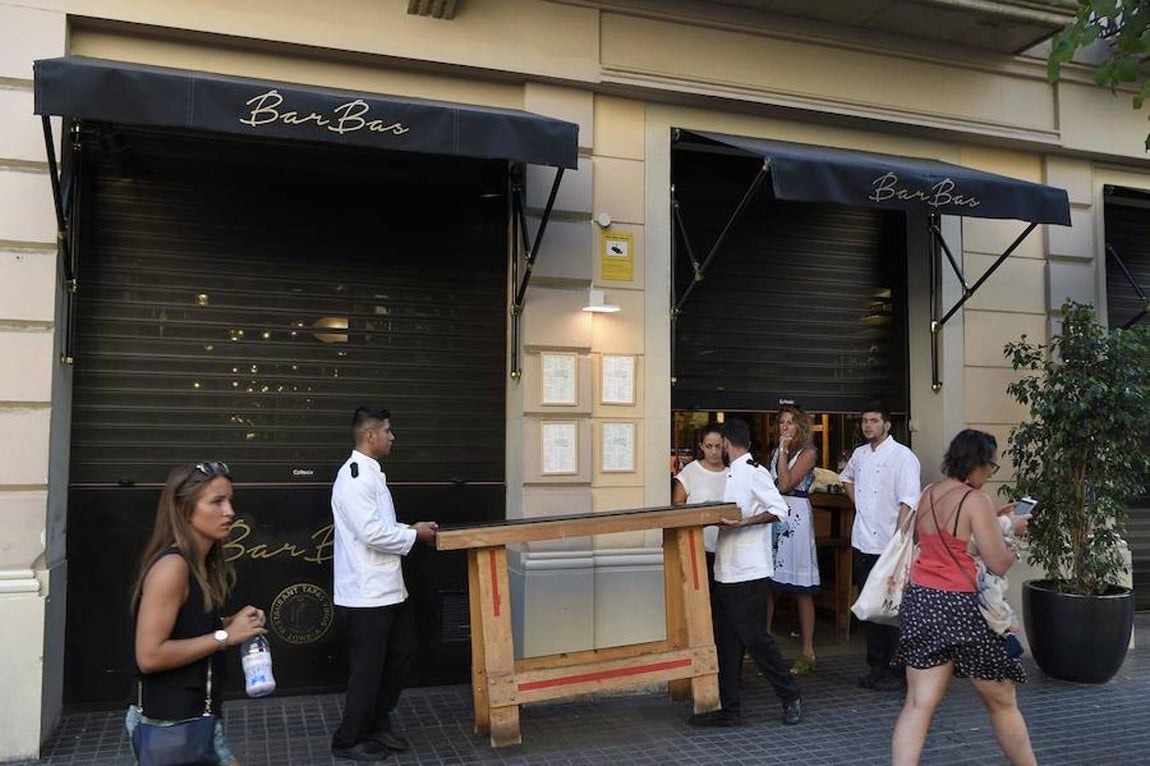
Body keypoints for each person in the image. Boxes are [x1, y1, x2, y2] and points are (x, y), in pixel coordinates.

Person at [891, 429, 1034, 766]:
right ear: (979, 464)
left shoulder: (928, 493)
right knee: (1002, 702)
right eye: (992, 467)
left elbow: (943, 540)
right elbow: (997, 562)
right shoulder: (975, 501)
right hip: (962, 607)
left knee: (918, 703)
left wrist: (995, 520)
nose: (990, 474)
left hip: (922, 603)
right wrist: (1014, 531)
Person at [127, 461, 267, 766]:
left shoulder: (199, 562)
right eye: (216, 502)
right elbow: (149, 655)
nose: (229, 511)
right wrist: (225, 636)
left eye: (229, 500)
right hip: (172, 724)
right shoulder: (172, 568)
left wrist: (231, 624)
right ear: (183, 509)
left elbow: (184, 628)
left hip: (193, 719)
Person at [330, 407, 439, 762]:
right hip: (365, 594)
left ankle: (377, 720)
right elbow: (372, 533)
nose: (393, 437)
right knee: (368, 668)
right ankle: (348, 739)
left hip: (388, 589)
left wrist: (410, 528)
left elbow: (381, 526)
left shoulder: (372, 475)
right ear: (370, 436)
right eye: (388, 431)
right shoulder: (356, 477)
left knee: (403, 653)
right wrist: (416, 536)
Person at [689, 418, 803, 728]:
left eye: (719, 443)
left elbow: (780, 509)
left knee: (754, 638)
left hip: (750, 571)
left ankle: (790, 694)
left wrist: (745, 523)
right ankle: (730, 709)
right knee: (726, 642)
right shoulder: (729, 475)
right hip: (726, 569)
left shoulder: (755, 472)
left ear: (726, 443)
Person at [839, 401, 921, 692]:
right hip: (863, 541)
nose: (868, 426)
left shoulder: (903, 457)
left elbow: (909, 502)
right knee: (871, 608)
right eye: (864, 421)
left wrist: (898, 542)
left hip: (890, 546)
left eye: (874, 420)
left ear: (887, 424)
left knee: (893, 609)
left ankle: (898, 671)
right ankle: (876, 667)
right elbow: (845, 478)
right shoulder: (860, 455)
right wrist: (859, 504)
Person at [766, 404, 820, 675]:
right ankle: (763, 646)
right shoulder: (776, 451)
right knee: (769, 582)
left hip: (796, 517)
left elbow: (786, 484)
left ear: (800, 426)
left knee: (801, 585)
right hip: (776, 515)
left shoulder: (807, 453)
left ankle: (807, 650)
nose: (785, 427)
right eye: (782, 422)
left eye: (790, 422)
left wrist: (784, 451)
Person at [671, 422, 727, 579]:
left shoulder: (732, 473)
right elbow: (677, 507)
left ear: (725, 445)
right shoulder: (690, 472)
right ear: (701, 446)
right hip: (698, 548)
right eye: (709, 446)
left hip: (727, 549)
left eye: (718, 446)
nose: (714, 451)